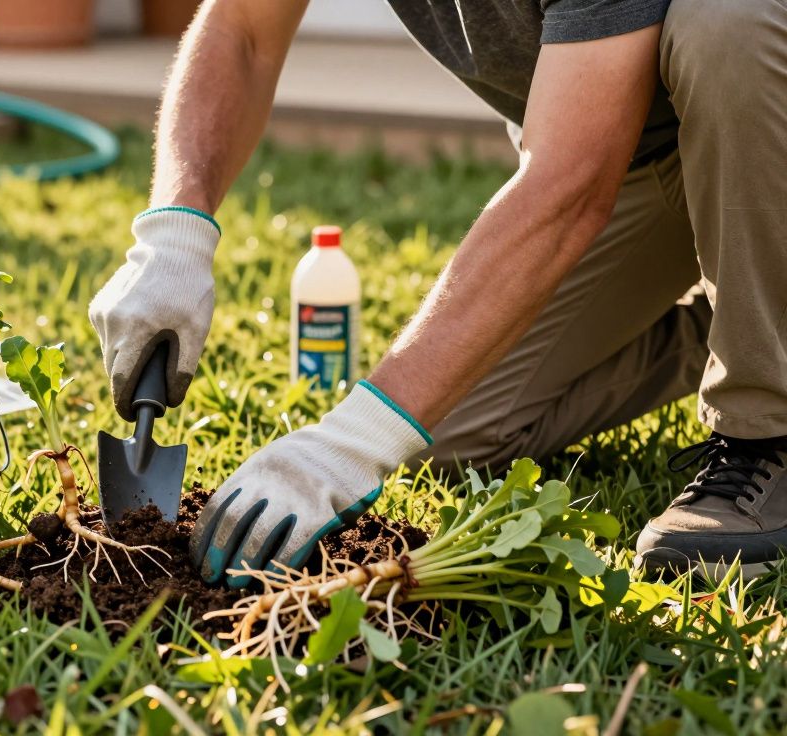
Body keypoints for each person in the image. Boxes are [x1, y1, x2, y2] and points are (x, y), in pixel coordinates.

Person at [87, 0, 787, 585]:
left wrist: (351, 440)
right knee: (450, 427)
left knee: (728, 19)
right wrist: (175, 232)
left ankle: (766, 429)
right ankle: (756, 311)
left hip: (759, 114)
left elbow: (570, 185)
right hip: (640, 154)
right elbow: (241, 30)